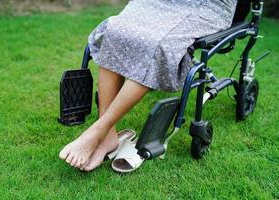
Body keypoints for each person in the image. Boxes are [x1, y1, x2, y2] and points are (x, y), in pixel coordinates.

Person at [59, 0, 238, 171]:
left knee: (159, 45)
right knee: (116, 30)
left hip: (208, 6)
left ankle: (97, 130)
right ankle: (107, 135)